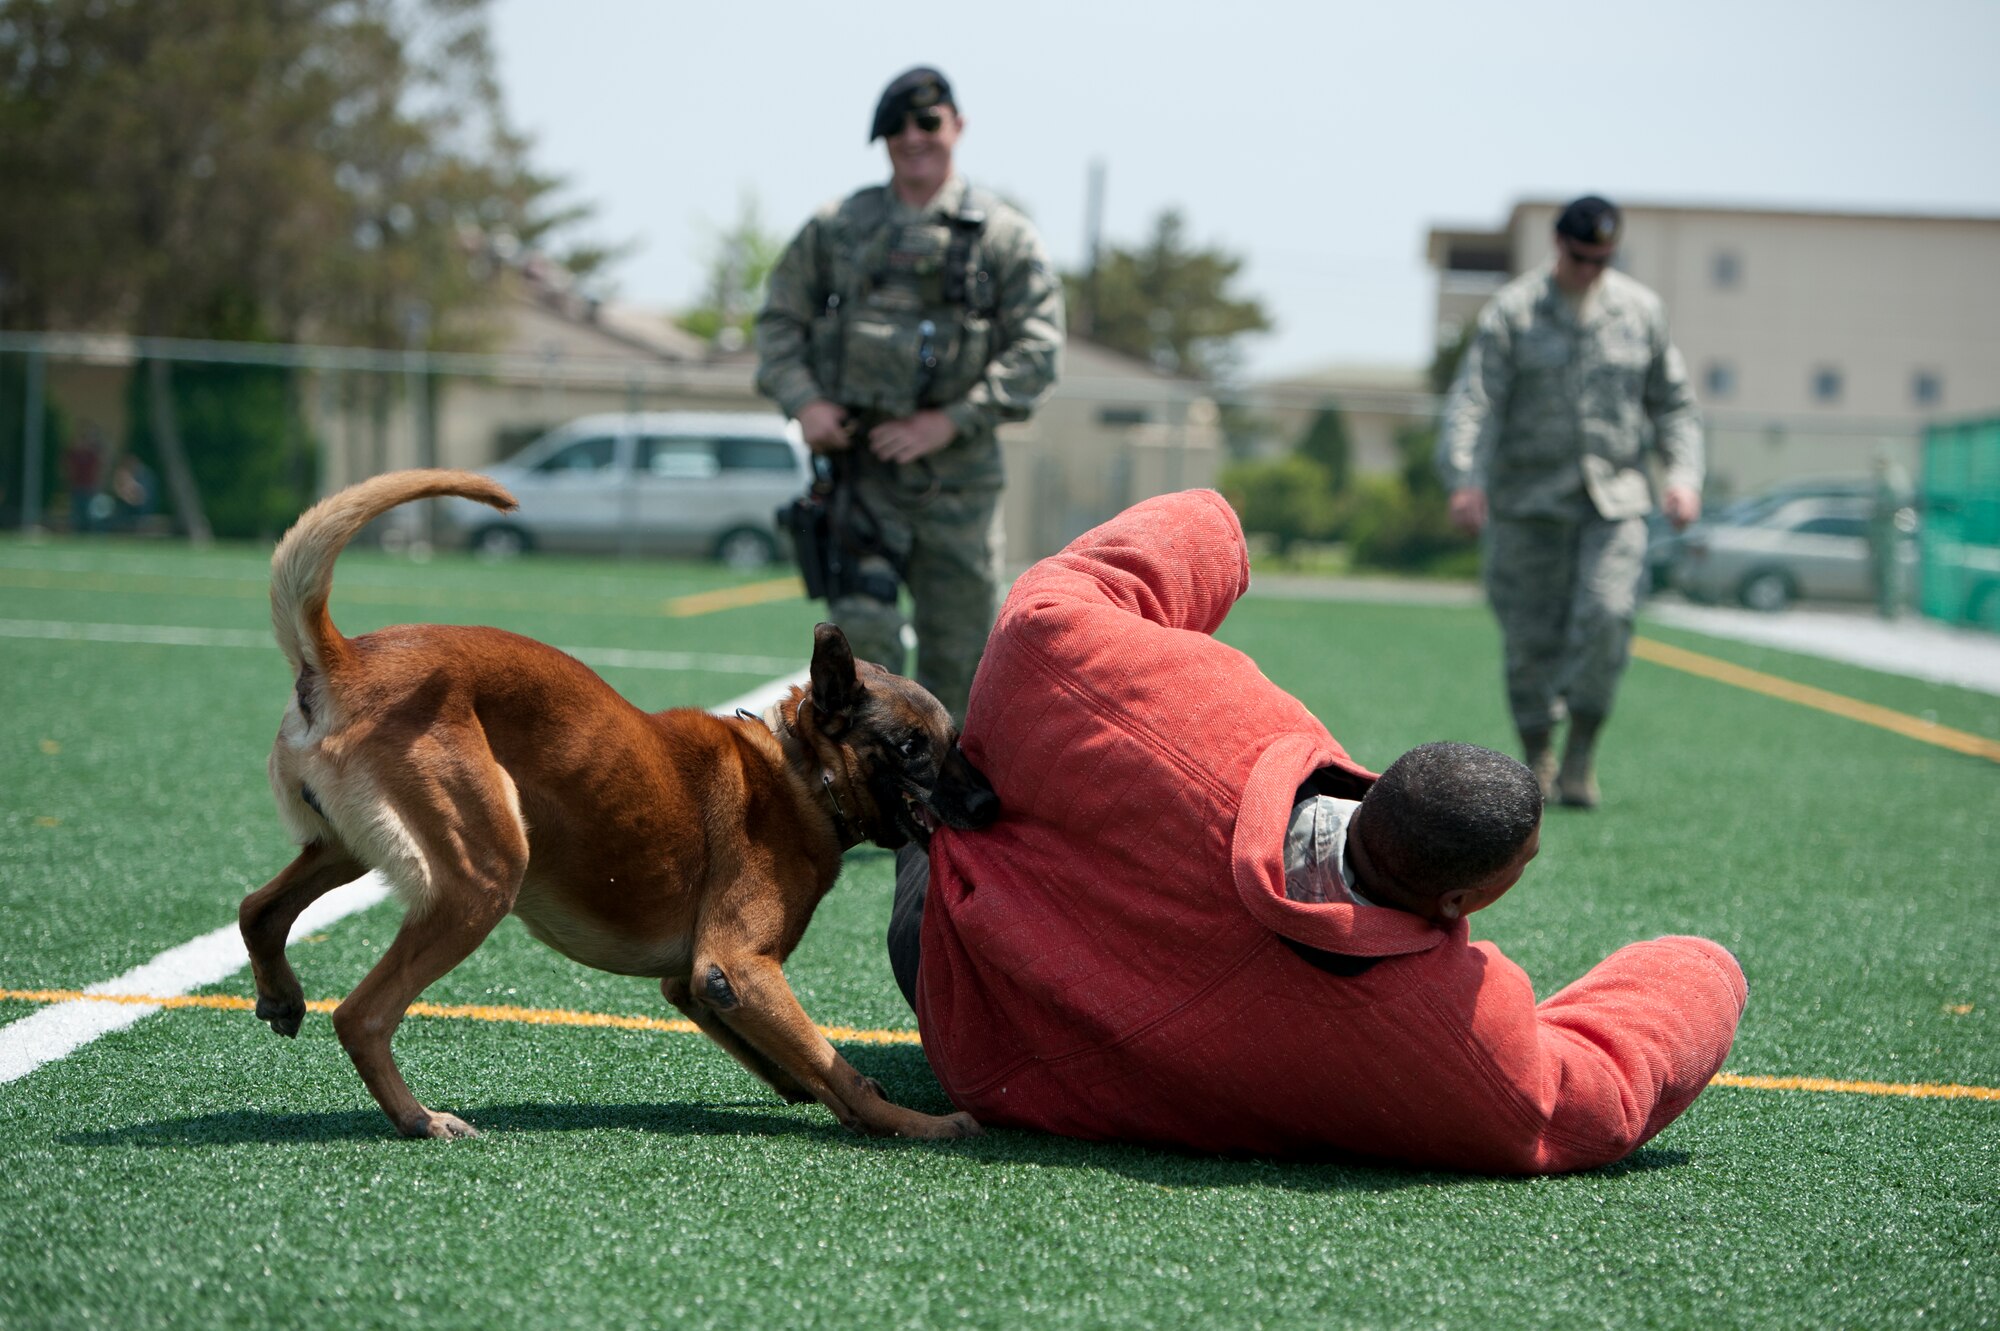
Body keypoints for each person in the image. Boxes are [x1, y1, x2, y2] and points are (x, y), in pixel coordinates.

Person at [890, 489, 1746, 1174]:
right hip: (993, 1050)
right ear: (1460, 898)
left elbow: (1060, 601)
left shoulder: (1186, 706)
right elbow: (1585, 1100)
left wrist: (1222, 532)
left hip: (943, 936)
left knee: (922, 786)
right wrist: (1708, 966)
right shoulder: (1439, 1034)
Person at [755, 66, 1065, 721]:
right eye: (895, 126)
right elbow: (779, 320)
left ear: (957, 126)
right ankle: (877, 804)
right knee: (863, 655)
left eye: (928, 121)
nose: (913, 137)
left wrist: (951, 419)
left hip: (957, 488)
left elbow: (1039, 349)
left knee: (963, 661)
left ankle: (947, 817)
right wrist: (806, 401)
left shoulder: (1001, 238)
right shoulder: (838, 228)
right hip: (860, 481)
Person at [1436, 195, 1704, 808]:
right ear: (1559, 246)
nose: (1590, 269)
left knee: (1608, 614)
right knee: (1530, 639)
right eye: (1581, 257)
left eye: (1602, 259)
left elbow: (1674, 404)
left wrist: (1683, 476)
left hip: (1614, 501)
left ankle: (1583, 742)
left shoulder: (1640, 312)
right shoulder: (1514, 313)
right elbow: (1475, 401)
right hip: (1528, 503)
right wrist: (1464, 479)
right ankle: (1538, 754)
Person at [65, 425, 105, 534]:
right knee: (77, 513)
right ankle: (77, 533)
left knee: (90, 514)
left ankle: (89, 533)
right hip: (77, 486)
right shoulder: (74, 454)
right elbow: (69, 469)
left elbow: (99, 470)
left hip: (89, 487)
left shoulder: (93, 454)